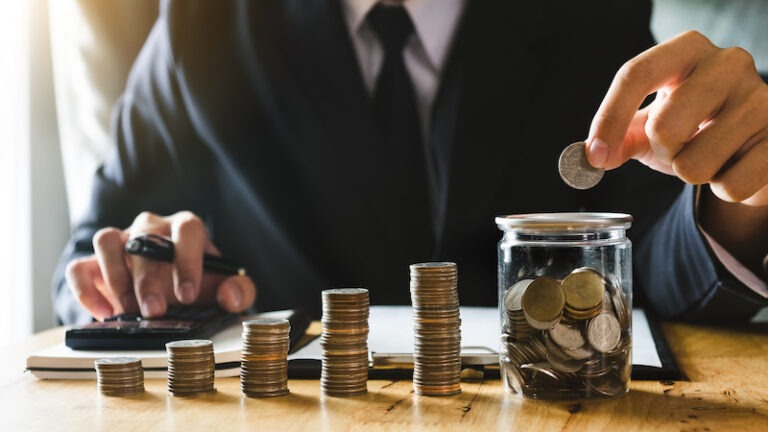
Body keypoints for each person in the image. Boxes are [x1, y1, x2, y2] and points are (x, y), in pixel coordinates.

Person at [54, 0, 768, 325]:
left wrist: (743, 197)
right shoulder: (200, 22)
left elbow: (650, 249)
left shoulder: (585, 14)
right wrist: (139, 277)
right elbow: (91, 252)